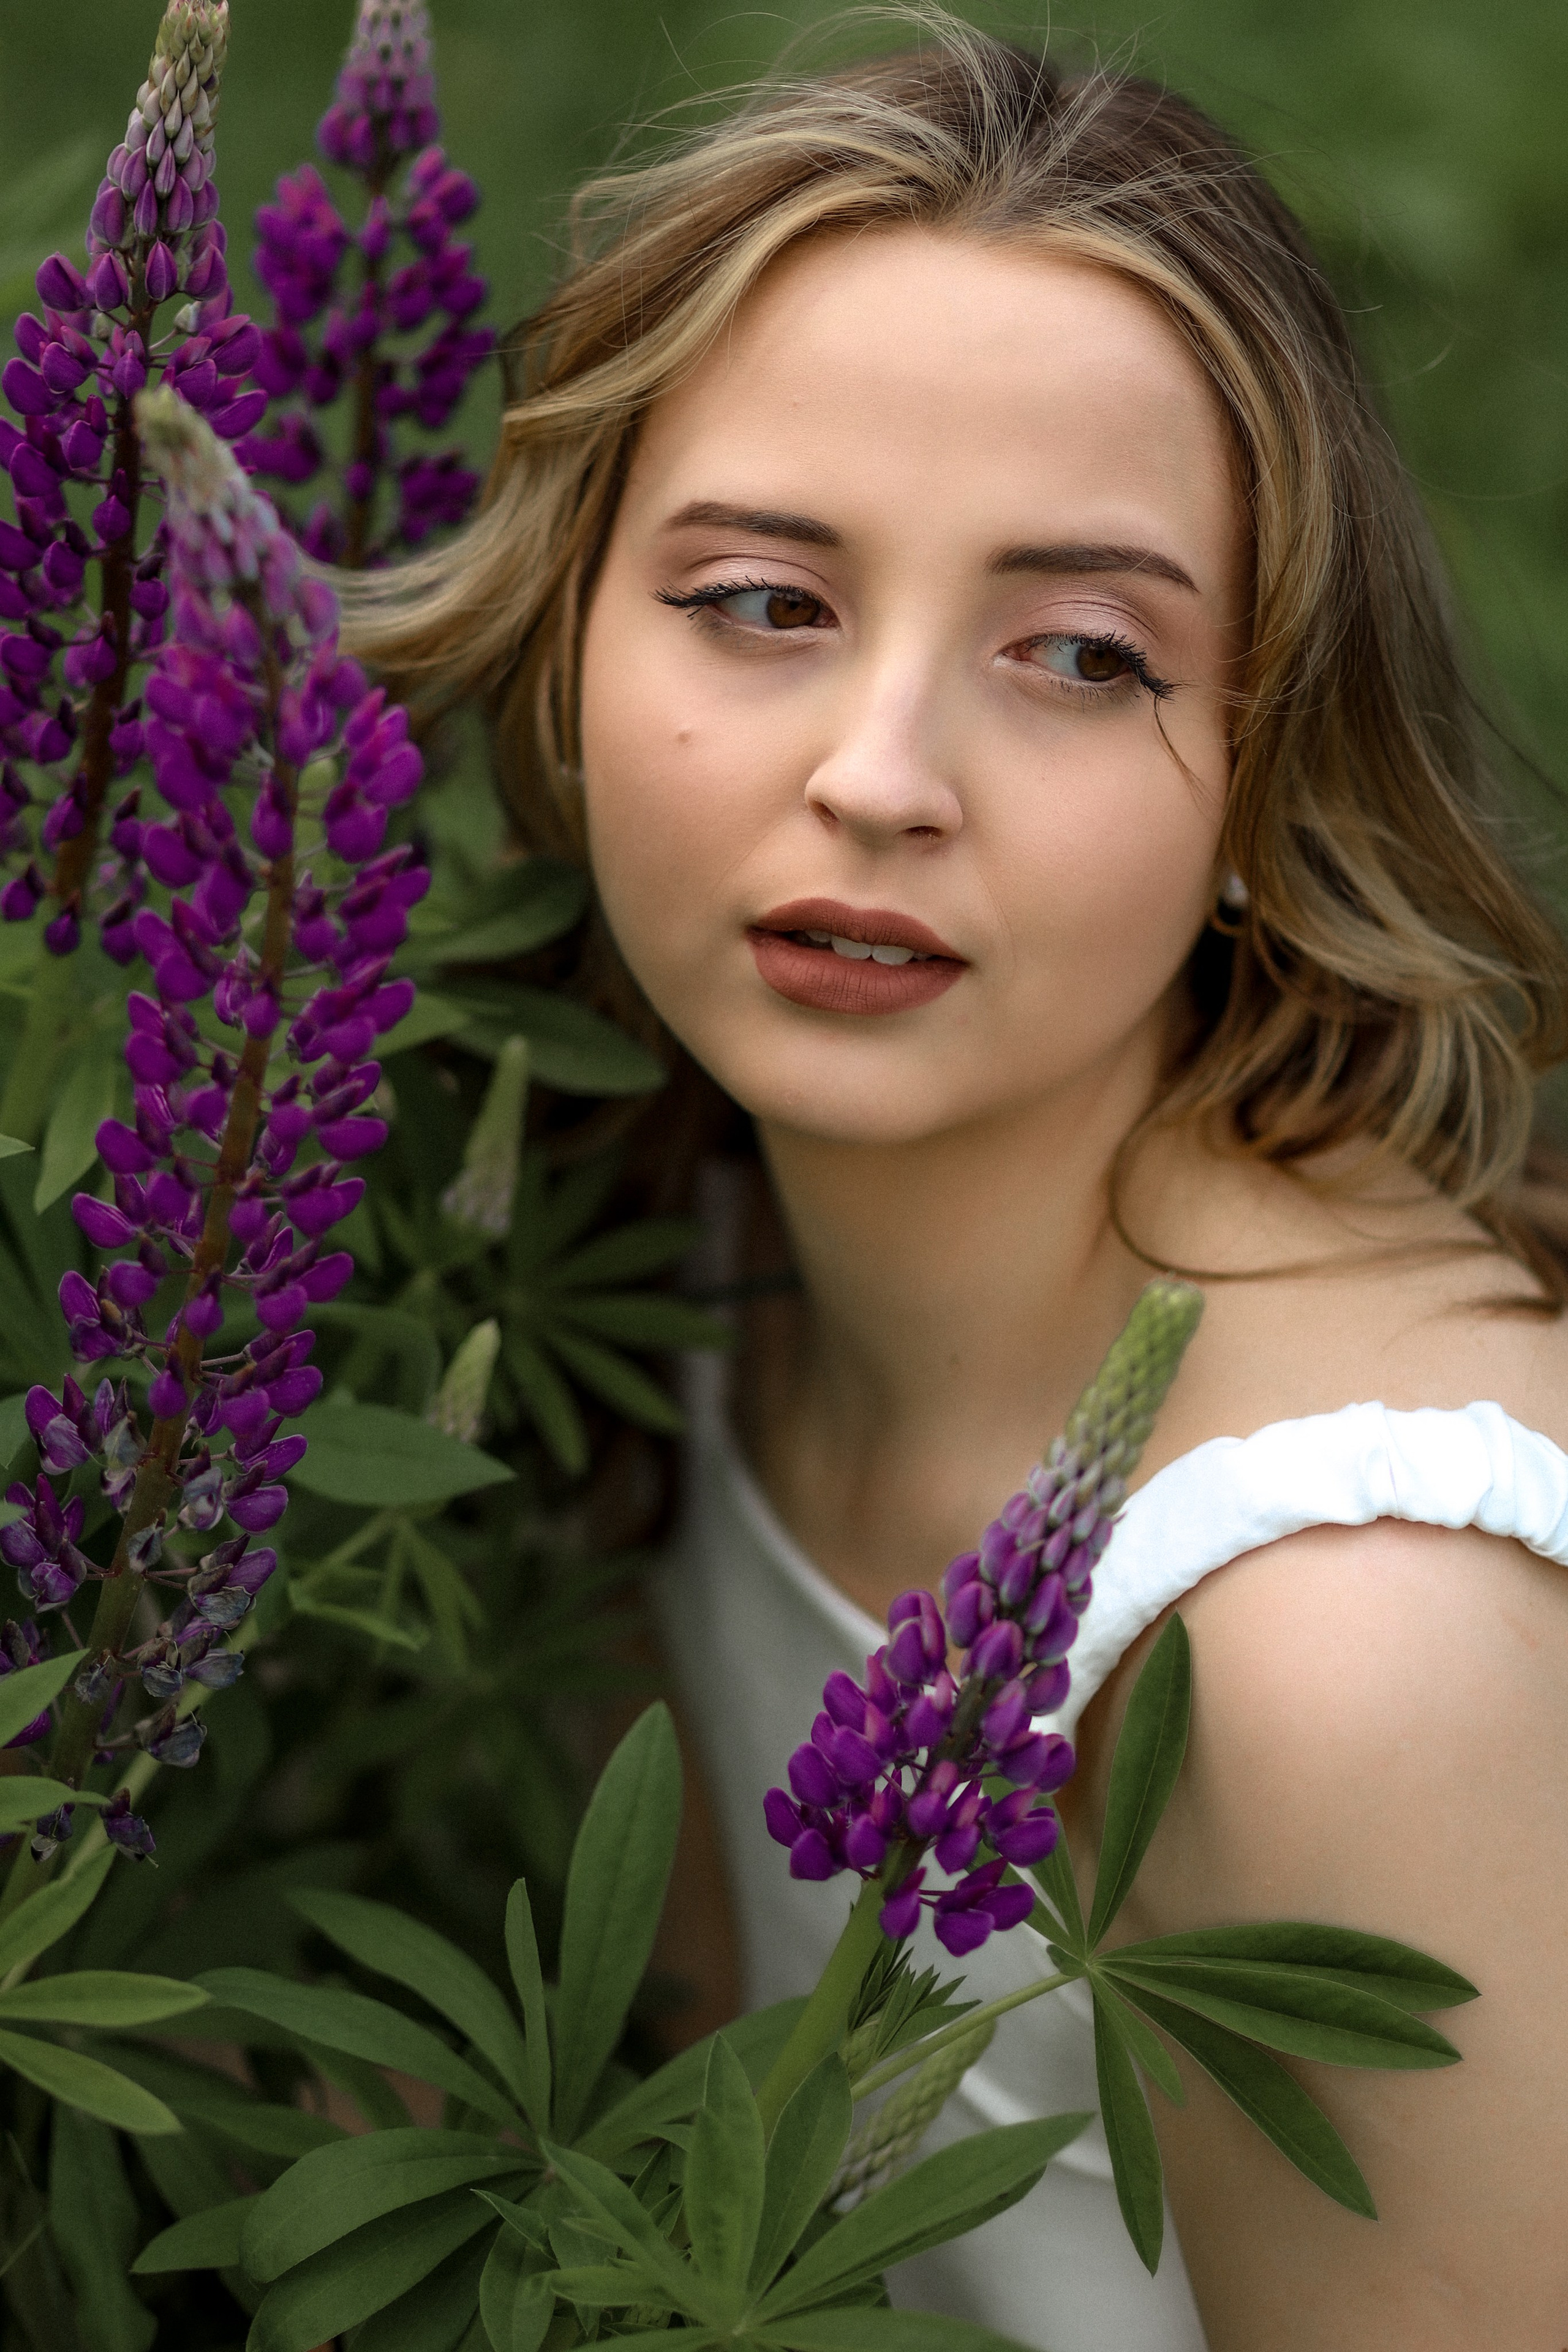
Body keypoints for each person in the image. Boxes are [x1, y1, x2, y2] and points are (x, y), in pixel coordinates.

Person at [346, 17, 1568, 2345]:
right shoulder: (666, 1228)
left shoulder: (1352, 1638)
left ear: (1271, 774)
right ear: (571, 634)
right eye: (764, 601)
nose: (881, 775)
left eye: (1083, 654)